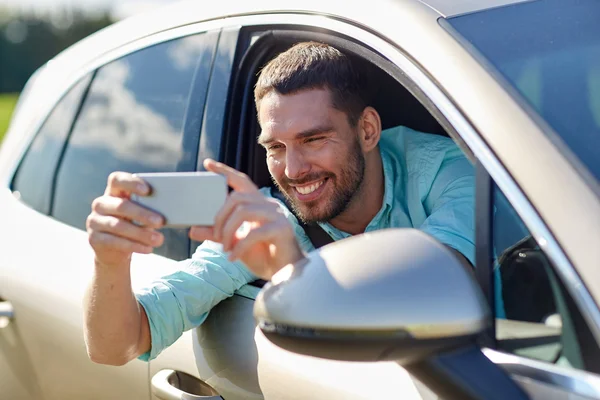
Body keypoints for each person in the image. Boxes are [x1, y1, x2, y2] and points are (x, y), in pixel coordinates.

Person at [83, 42, 475, 365]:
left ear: (368, 130)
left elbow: (450, 284)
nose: (293, 169)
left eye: (314, 140)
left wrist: (296, 273)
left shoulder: (450, 170)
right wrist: (109, 260)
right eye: (275, 147)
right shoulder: (265, 220)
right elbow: (115, 347)